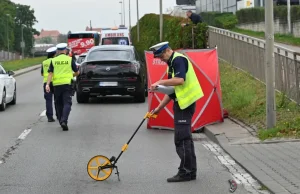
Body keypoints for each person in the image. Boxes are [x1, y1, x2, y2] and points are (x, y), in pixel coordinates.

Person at [149, 41, 204, 183]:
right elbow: (173, 92)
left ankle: (186, 172)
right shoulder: (172, 64)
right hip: (181, 103)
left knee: (182, 139)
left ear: (167, 50)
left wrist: (159, 82)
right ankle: (189, 170)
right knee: (185, 139)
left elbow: (179, 80)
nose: (161, 59)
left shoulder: (178, 60)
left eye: (161, 56)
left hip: (186, 104)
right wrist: (159, 108)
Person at [45, 43, 80, 131]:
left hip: (56, 85)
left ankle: (61, 120)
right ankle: (64, 120)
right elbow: (77, 72)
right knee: (67, 103)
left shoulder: (53, 60)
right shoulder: (69, 59)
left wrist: (47, 84)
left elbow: (50, 73)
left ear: (57, 51)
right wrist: (71, 75)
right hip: (67, 84)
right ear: (65, 50)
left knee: (58, 103)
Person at [41, 46, 57, 122]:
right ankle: (58, 114)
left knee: (48, 100)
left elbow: (42, 73)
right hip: (55, 82)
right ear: (54, 54)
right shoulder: (55, 61)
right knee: (57, 99)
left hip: (46, 83)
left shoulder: (44, 62)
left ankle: (50, 117)